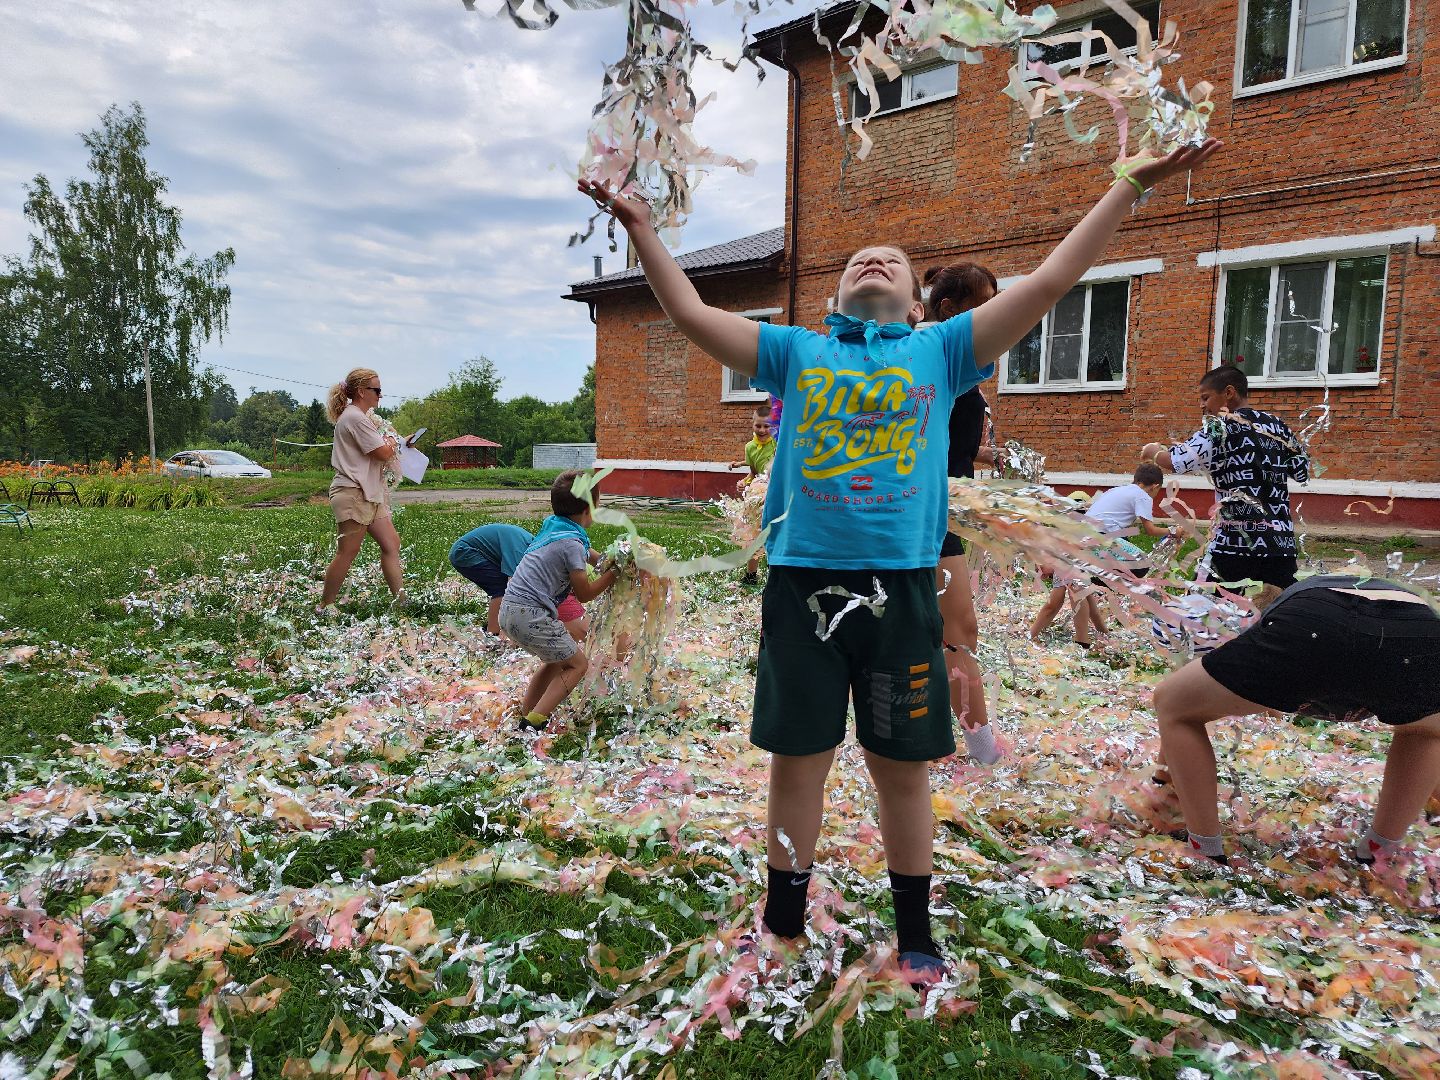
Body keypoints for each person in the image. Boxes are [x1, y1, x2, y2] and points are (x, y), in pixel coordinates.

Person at [580, 136, 1222, 979]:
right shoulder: (797, 352)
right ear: (836, 295)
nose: (871, 260)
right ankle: (783, 920)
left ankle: (915, 931)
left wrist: (1128, 186)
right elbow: (694, 316)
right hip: (804, 589)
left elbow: (1049, 283)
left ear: (918, 302)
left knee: (901, 770)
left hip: (902, 595)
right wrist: (641, 230)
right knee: (798, 764)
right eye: (857, 260)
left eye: (891, 259)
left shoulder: (941, 352)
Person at [1154, 575, 1440, 866]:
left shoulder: (1271, 621)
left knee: (1173, 703)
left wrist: (1160, 779)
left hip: (1317, 621)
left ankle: (1205, 850)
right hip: (1419, 629)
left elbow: (1184, 709)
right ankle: (1378, 854)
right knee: (1425, 732)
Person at [923, 262, 1002, 764]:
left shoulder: (959, 363)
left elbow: (948, 440)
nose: (996, 313)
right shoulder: (931, 359)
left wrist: (984, 455)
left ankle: (966, 745)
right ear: (950, 309)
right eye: (986, 303)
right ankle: (981, 752)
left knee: (949, 632)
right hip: (925, 512)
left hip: (947, 507)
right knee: (958, 631)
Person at [1142, 365, 1307, 591]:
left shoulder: (1218, 426)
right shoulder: (1277, 425)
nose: (1201, 405)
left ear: (1229, 393)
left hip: (1234, 544)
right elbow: (1301, 470)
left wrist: (1152, 451)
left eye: (1206, 397)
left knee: (1204, 605)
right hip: (1280, 544)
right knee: (1280, 605)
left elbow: (1175, 461)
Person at [498, 471, 620, 730]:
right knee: (578, 665)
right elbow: (584, 593)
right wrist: (614, 575)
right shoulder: (571, 544)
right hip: (531, 615)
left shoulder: (555, 527)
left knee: (556, 661)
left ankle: (527, 712)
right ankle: (534, 723)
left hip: (510, 611)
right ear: (588, 510)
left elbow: (596, 559)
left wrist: (620, 560)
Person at [1030, 463, 1181, 646]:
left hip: (1092, 540)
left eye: (1039, 568)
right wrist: (1174, 531)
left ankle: (1087, 638)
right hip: (1096, 540)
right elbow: (1150, 530)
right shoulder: (1140, 494)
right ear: (1155, 486)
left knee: (1080, 588)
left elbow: (1052, 606)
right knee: (1137, 566)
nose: (1040, 574)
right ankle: (1083, 641)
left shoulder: (1119, 490)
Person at [320, 368, 404, 612]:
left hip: (369, 493)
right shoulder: (354, 417)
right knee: (348, 551)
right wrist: (393, 441)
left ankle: (401, 602)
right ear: (361, 391)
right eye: (376, 390)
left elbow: (382, 448)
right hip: (353, 493)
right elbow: (382, 452)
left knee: (391, 544)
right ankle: (325, 605)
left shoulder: (359, 417)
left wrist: (398, 441)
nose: (380, 395)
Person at [449, 522, 594, 640]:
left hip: (480, 549)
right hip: (466, 552)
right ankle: (493, 634)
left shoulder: (538, 549)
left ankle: (497, 627)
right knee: (501, 590)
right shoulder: (522, 554)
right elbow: (514, 588)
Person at [729, 412, 777, 584]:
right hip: (758, 495)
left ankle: (775, 574)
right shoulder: (750, 447)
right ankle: (751, 575)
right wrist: (744, 482)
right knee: (753, 532)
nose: (762, 430)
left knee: (775, 533)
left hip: (775, 493)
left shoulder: (778, 443)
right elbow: (754, 473)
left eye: (767, 426)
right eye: (758, 426)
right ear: (752, 425)